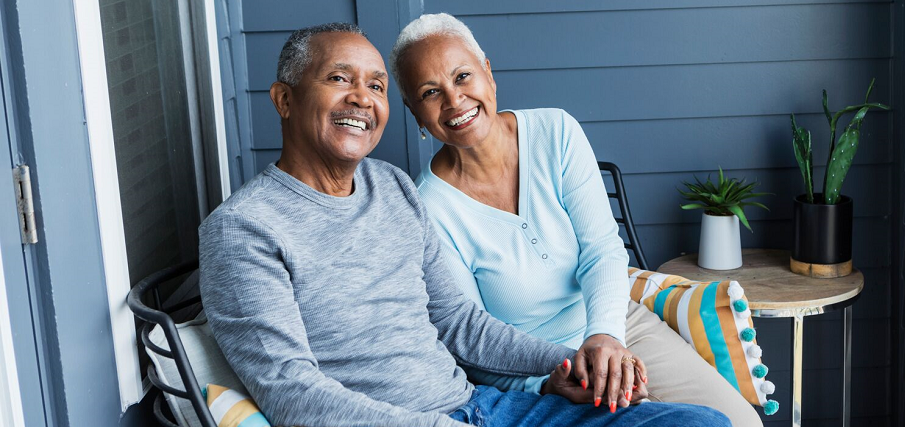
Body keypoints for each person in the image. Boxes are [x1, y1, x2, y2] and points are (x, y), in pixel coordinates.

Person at [198, 22, 729, 427]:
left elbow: (458, 324)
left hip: (479, 407)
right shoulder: (245, 230)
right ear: (284, 99)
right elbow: (291, 393)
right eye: (339, 79)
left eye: (376, 85)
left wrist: (570, 362)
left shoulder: (392, 189)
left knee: (700, 422)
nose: (362, 97)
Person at [390, 13, 763, 426]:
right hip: (544, 375)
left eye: (462, 76)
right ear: (414, 111)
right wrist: (545, 385)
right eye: (430, 92)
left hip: (617, 324)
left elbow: (601, 251)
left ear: (488, 73)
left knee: (742, 423)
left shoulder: (556, 131)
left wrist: (605, 336)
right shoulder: (428, 209)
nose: (454, 100)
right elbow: (472, 342)